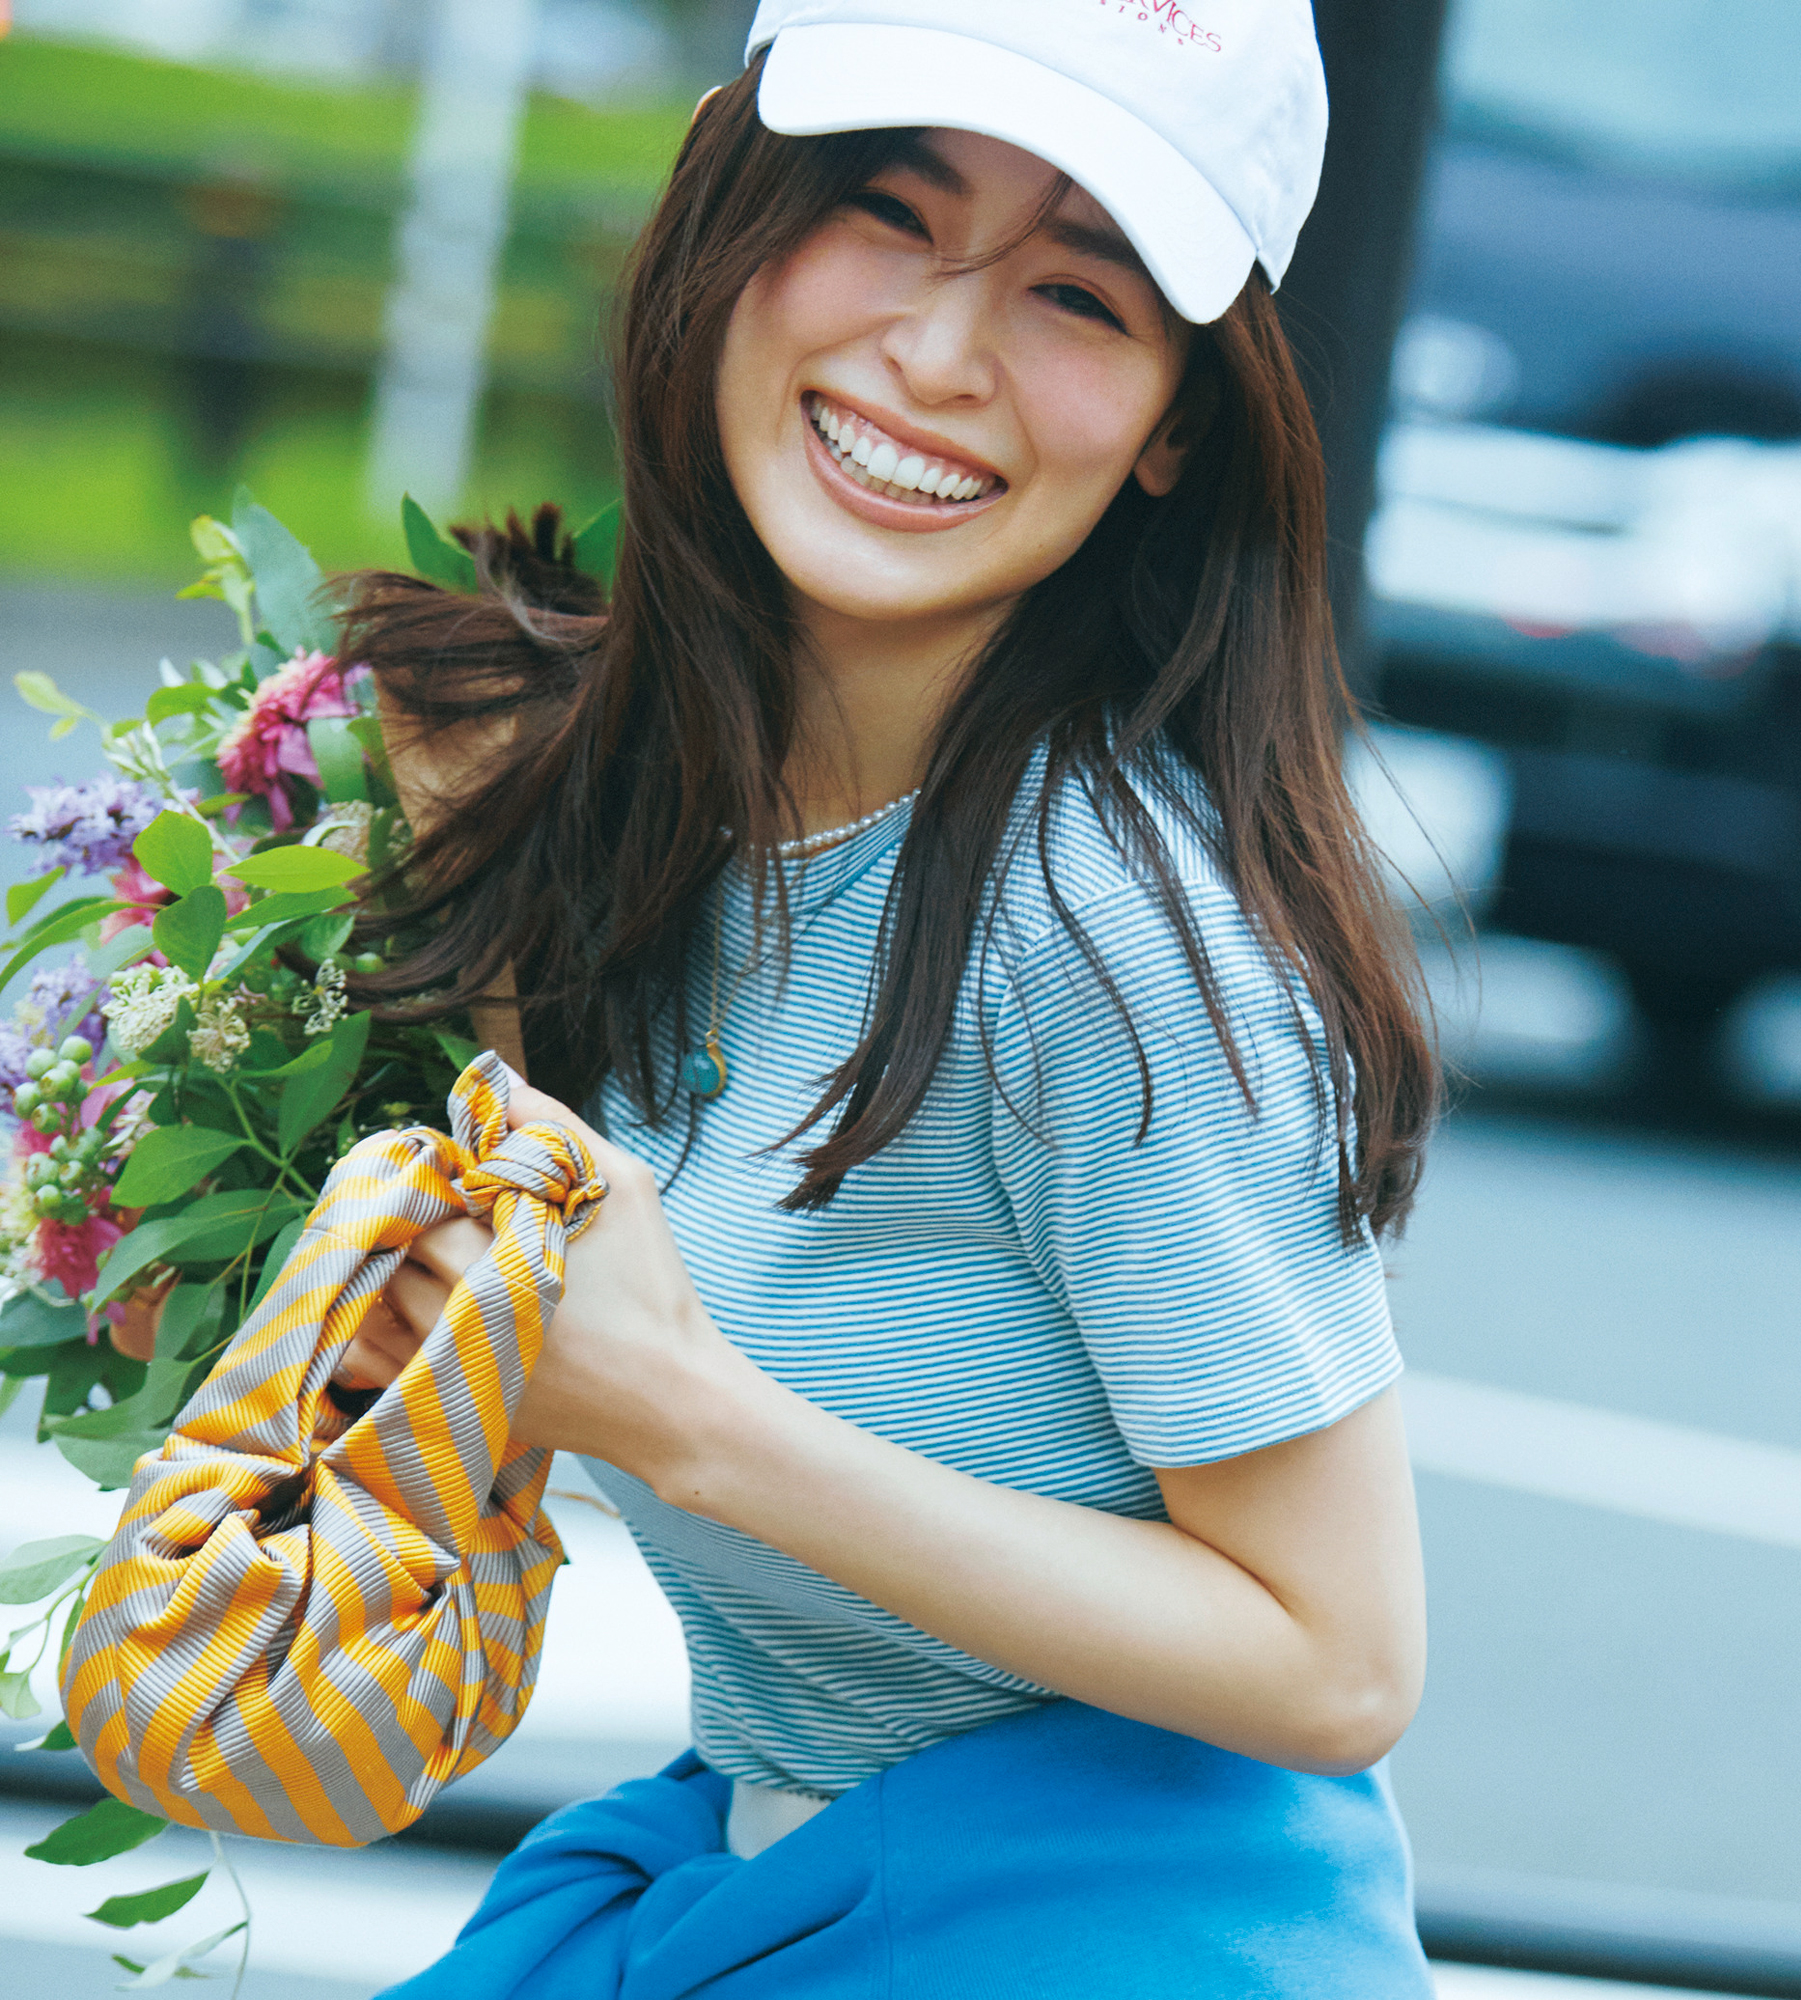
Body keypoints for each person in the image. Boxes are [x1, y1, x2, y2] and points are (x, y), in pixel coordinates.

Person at [251, 1, 1441, 1988]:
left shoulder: (1104, 931)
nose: (939, 349)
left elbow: (1337, 1662)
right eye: (886, 212)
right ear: (730, 210)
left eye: (1078, 292)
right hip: (779, 1870)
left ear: (1173, 426)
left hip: (1097, 1936)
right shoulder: (644, 816)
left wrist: (683, 1415)